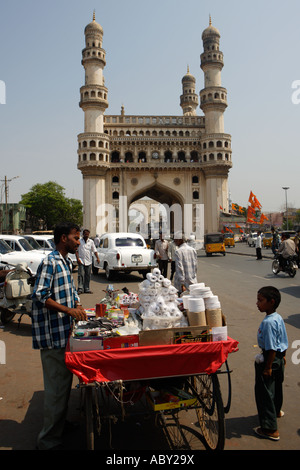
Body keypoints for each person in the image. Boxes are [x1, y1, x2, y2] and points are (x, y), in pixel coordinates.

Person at [31, 222, 88, 450]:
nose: (79, 241)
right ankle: (47, 441)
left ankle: (59, 426)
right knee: (56, 390)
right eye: (76, 237)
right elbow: (41, 295)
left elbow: (69, 290)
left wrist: (77, 303)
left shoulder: (66, 261)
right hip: (53, 334)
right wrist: (69, 310)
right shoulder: (50, 262)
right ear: (64, 238)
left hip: (65, 332)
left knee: (63, 386)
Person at [254, 286, 288, 441]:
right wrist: (283, 357)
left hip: (270, 359)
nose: (257, 303)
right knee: (276, 388)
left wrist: (267, 367)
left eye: (260, 300)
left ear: (271, 302)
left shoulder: (268, 323)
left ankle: (270, 429)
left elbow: (272, 346)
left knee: (265, 393)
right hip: (278, 359)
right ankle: (276, 411)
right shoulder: (277, 317)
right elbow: (282, 339)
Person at [76, 229, 100, 294]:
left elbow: (94, 250)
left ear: (89, 234)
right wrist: (77, 259)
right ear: (83, 234)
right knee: (81, 275)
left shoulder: (91, 242)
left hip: (89, 261)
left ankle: (87, 288)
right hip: (81, 261)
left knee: (88, 275)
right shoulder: (79, 241)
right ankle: (80, 289)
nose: (86, 235)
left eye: (87, 234)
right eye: (85, 234)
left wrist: (97, 258)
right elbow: (76, 251)